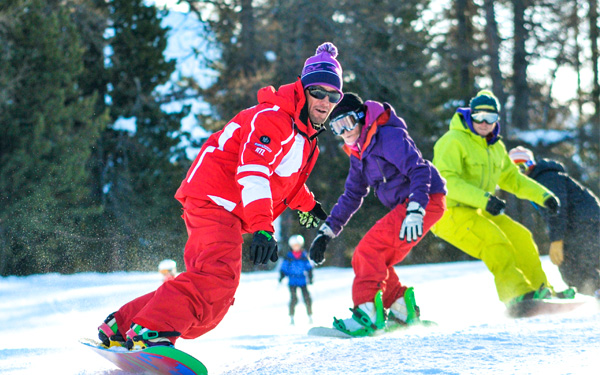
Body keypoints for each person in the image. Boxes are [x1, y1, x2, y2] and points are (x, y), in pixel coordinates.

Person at [97, 42, 343, 350]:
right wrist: (264, 228)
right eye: (318, 92)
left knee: (205, 282)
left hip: (218, 205)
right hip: (216, 202)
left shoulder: (303, 136)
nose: (325, 101)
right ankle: (152, 330)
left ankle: (122, 325)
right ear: (303, 89)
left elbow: (285, 181)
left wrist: (312, 207)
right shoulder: (274, 118)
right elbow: (253, 172)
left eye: (334, 96)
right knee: (217, 282)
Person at [308, 93, 447, 337]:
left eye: (348, 122)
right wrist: (326, 231)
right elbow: (352, 195)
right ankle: (401, 309)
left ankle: (367, 315)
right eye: (337, 127)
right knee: (372, 257)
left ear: (361, 118)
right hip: (411, 204)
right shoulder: (358, 152)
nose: (345, 131)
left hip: (424, 200)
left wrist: (416, 208)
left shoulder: (387, 136)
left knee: (367, 252)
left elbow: (419, 169)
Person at [431, 90, 563, 307]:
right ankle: (516, 295)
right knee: (495, 241)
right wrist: (485, 199)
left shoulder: (495, 148)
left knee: (521, 236)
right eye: (479, 116)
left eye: (490, 118)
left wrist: (545, 196)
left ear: (497, 120)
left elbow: (513, 180)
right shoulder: (453, 141)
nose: (484, 123)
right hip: (448, 212)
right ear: (470, 115)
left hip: (477, 209)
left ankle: (541, 290)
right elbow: (447, 182)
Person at [508, 146, 600, 296]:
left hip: (584, 224)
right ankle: (596, 290)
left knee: (575, 264)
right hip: (578, 225)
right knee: (573, 265)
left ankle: (596, 289)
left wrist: (557, 240)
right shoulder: (537, 181)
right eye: (515, 168)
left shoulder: (546, 178)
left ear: (531, 165)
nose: (521, 172)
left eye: (523, 166)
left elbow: (557, 210)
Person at [279, 234, 314, 325]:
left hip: (302, 281)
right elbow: (284, 268)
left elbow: (309, 267)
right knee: (294, 299)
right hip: (292, 281)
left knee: (307, 298)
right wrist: (282, 276)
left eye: (297, 245)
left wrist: (310, 277)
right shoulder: (289, 257)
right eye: (294, 246)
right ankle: (291, 316)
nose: (296, 247)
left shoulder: (304, 256)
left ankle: (310, 315)